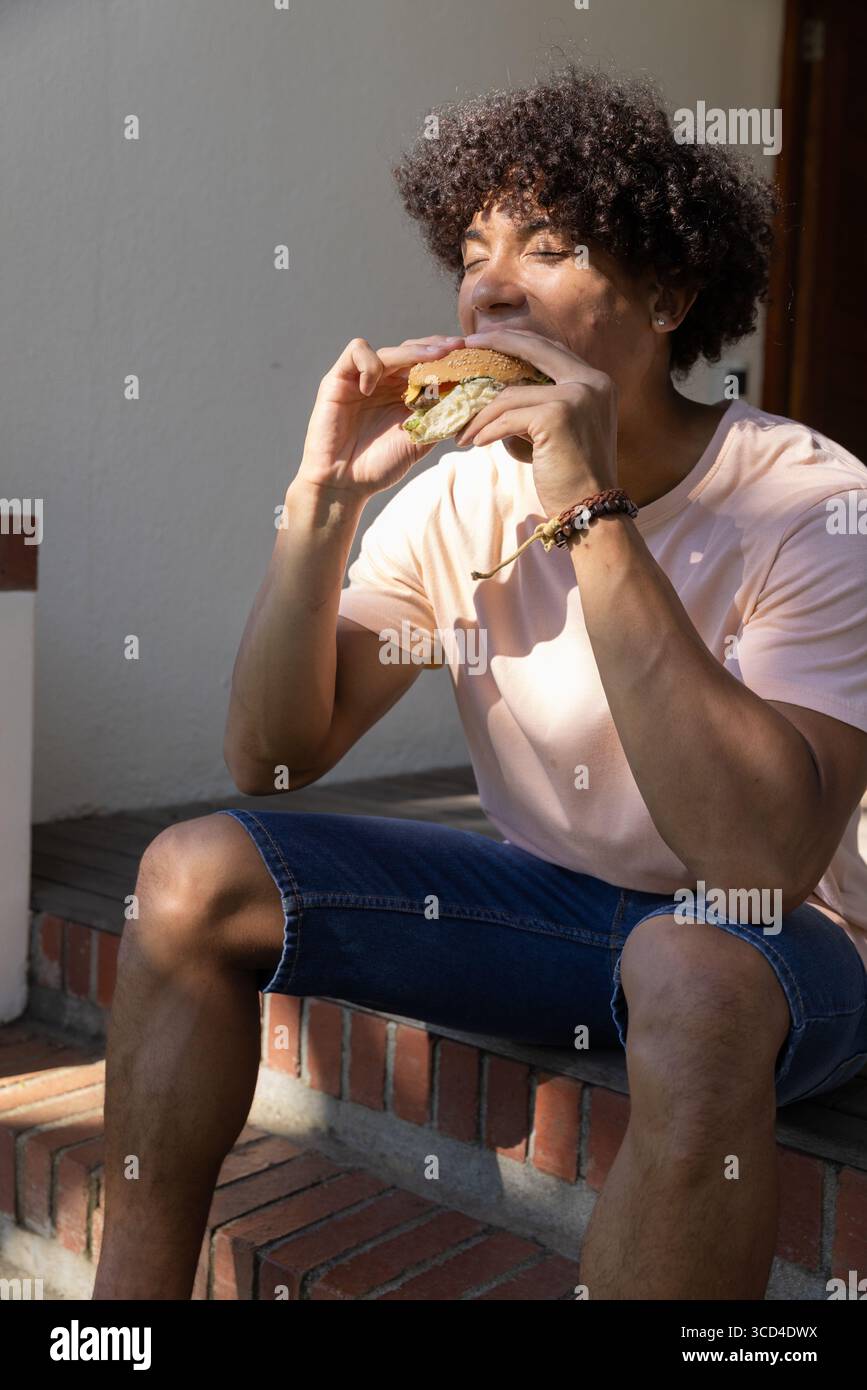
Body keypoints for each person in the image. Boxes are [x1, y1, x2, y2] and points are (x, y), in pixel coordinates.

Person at [92, 65, 867, 1301]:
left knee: (692, 962)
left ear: (669, 293)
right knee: (189, 875)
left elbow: (758, 863)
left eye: (549, 246)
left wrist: (587, 503)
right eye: (473, 248)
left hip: (776, 950)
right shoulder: (458, 493)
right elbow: (273, 755)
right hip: (554, 911)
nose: (490, 284)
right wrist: (325, 505)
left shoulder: (811, 501)